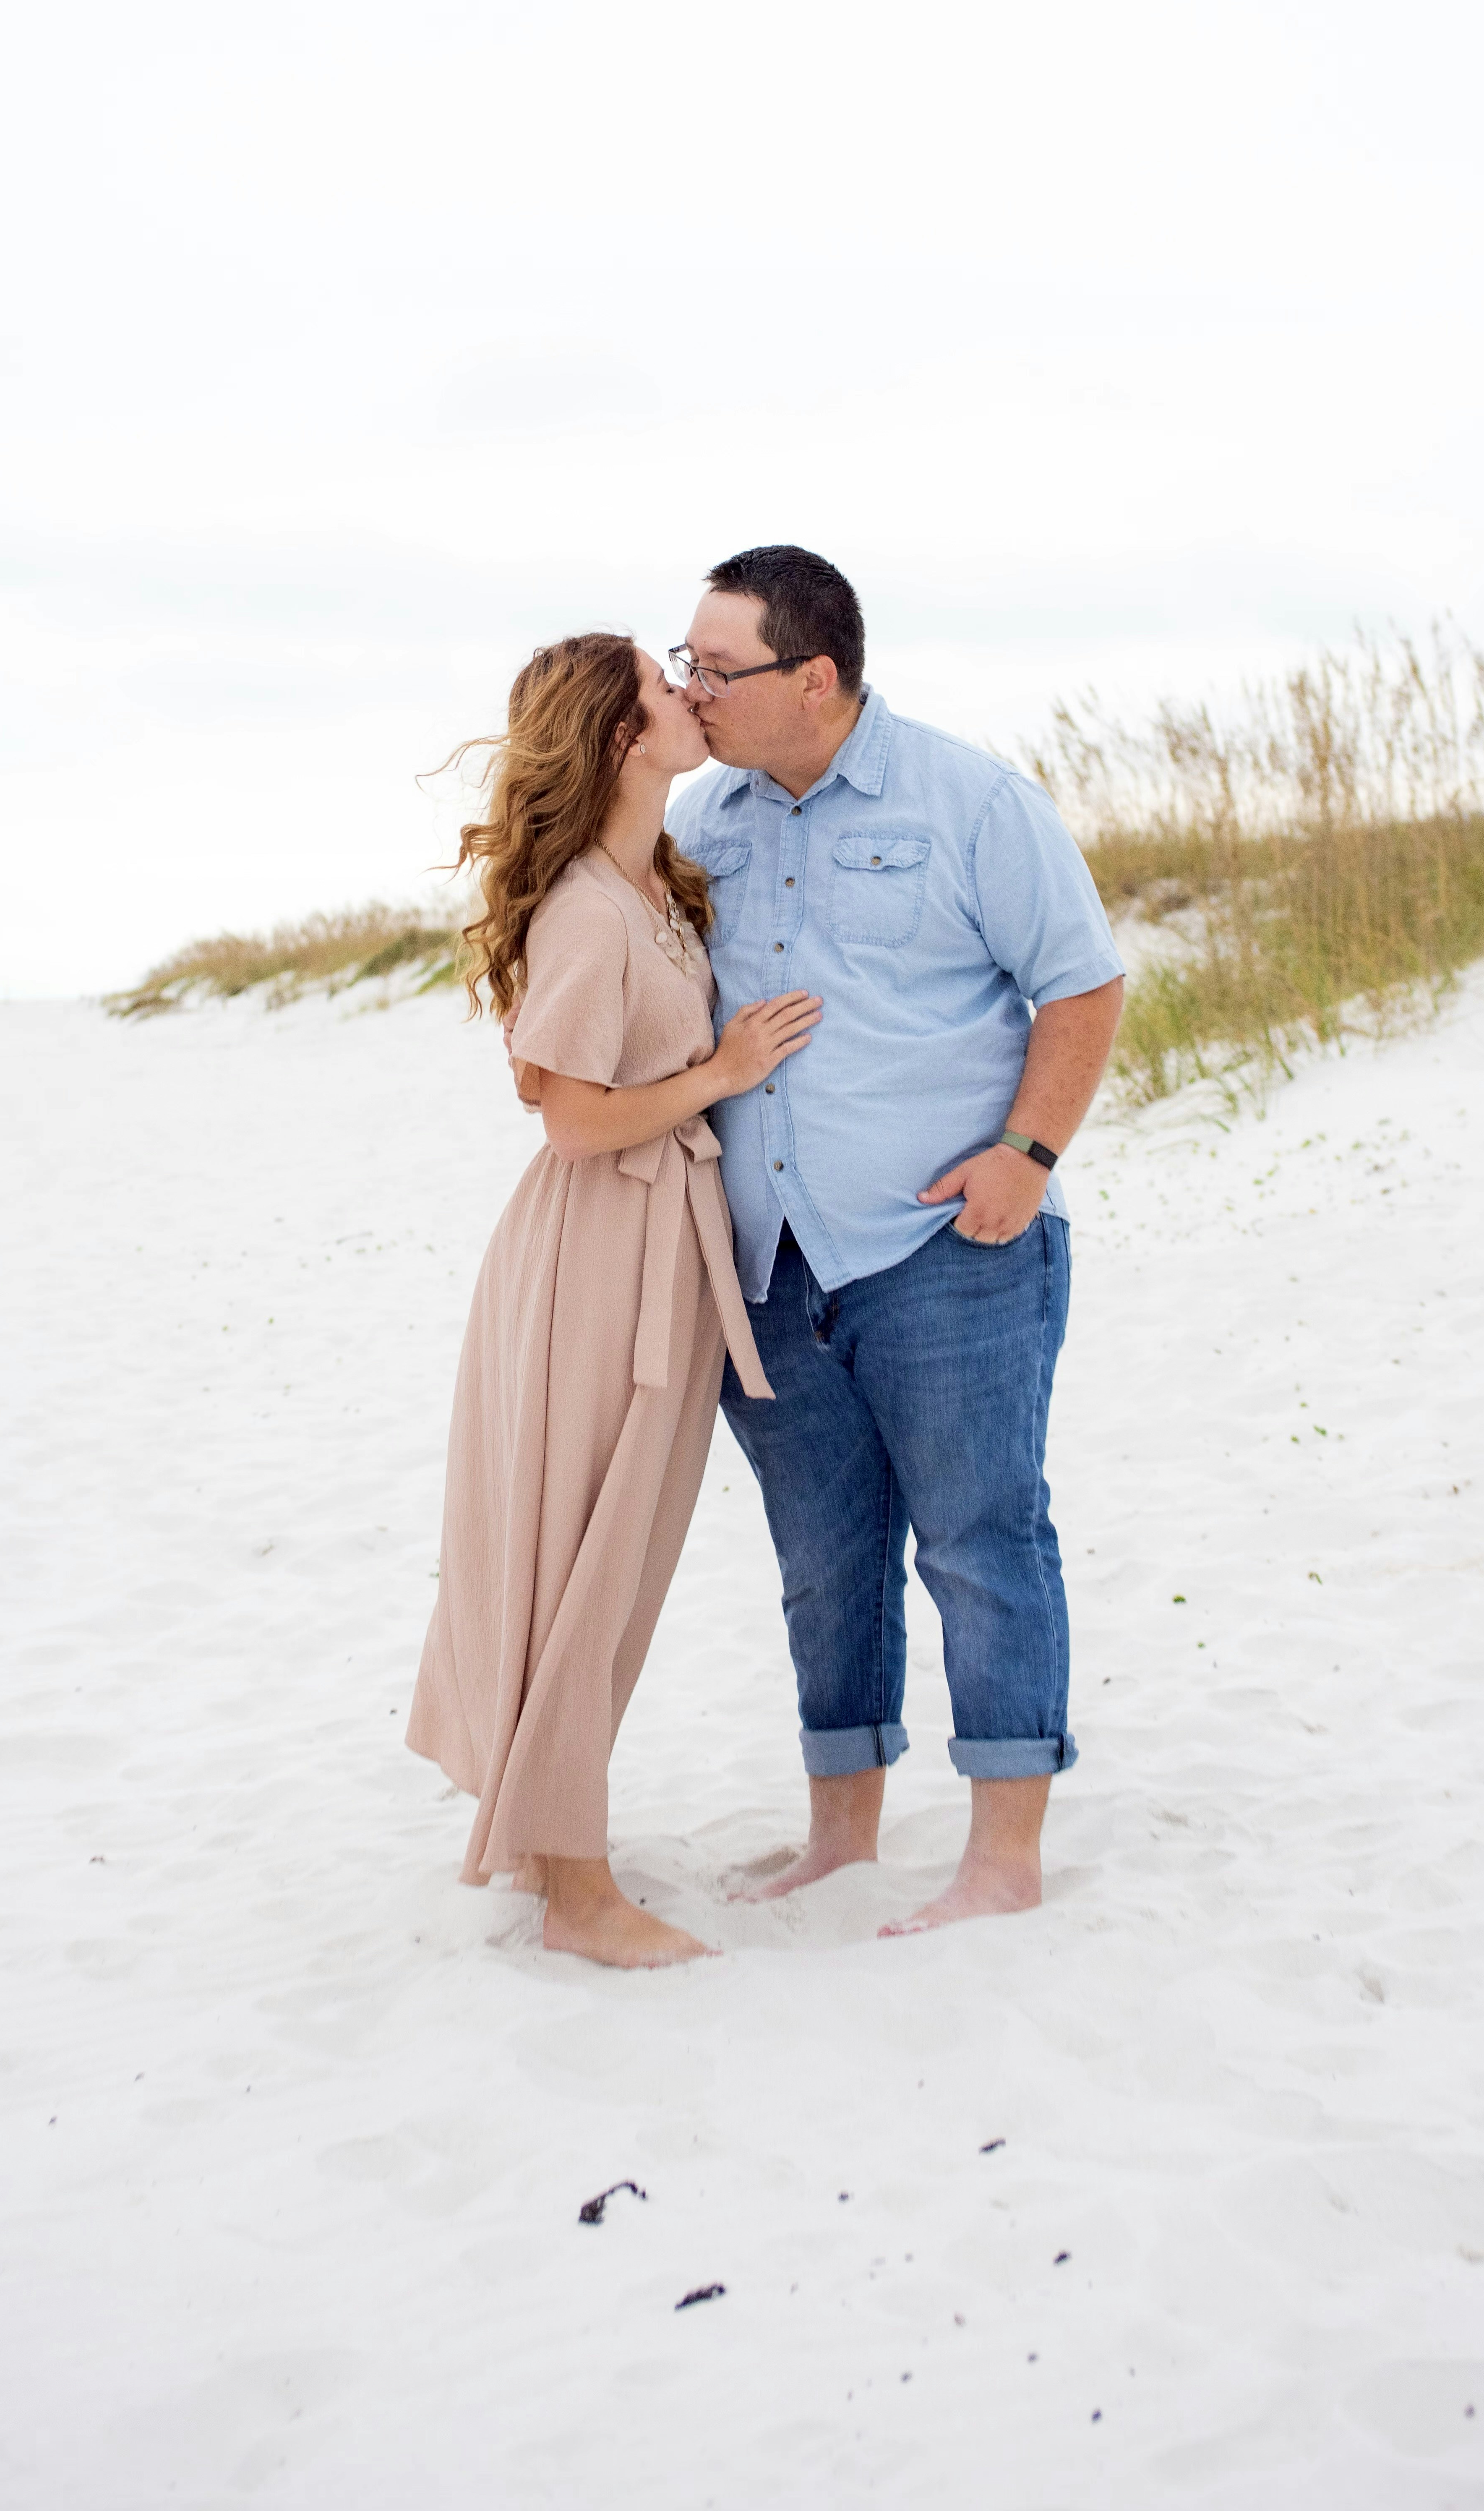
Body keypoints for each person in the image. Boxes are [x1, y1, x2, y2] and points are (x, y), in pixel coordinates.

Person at [668, 544, 1125, 1934]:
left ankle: (1002, 1860)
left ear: (816, 679)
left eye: (717, 668)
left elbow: (1083, 984)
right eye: (683, 664)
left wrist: (1028, 1156)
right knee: (826, 1562)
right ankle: (843, 1839)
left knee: (982, 1540)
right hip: (771, 1261)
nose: (693, 692)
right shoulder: (703, 821)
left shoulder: (972, 799)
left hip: (944, 1250)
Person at [406, 633, 821, 1969]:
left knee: (614, 1559)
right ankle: (577, 1895)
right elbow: (573, 1118)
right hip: (600, 1255)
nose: (691, 698)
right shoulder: (590, 905)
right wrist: (723, 1070)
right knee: (584, 1560)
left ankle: (556, 1844)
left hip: (654, 1245)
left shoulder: (649, 883)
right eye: (666, 687)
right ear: (621, 736)